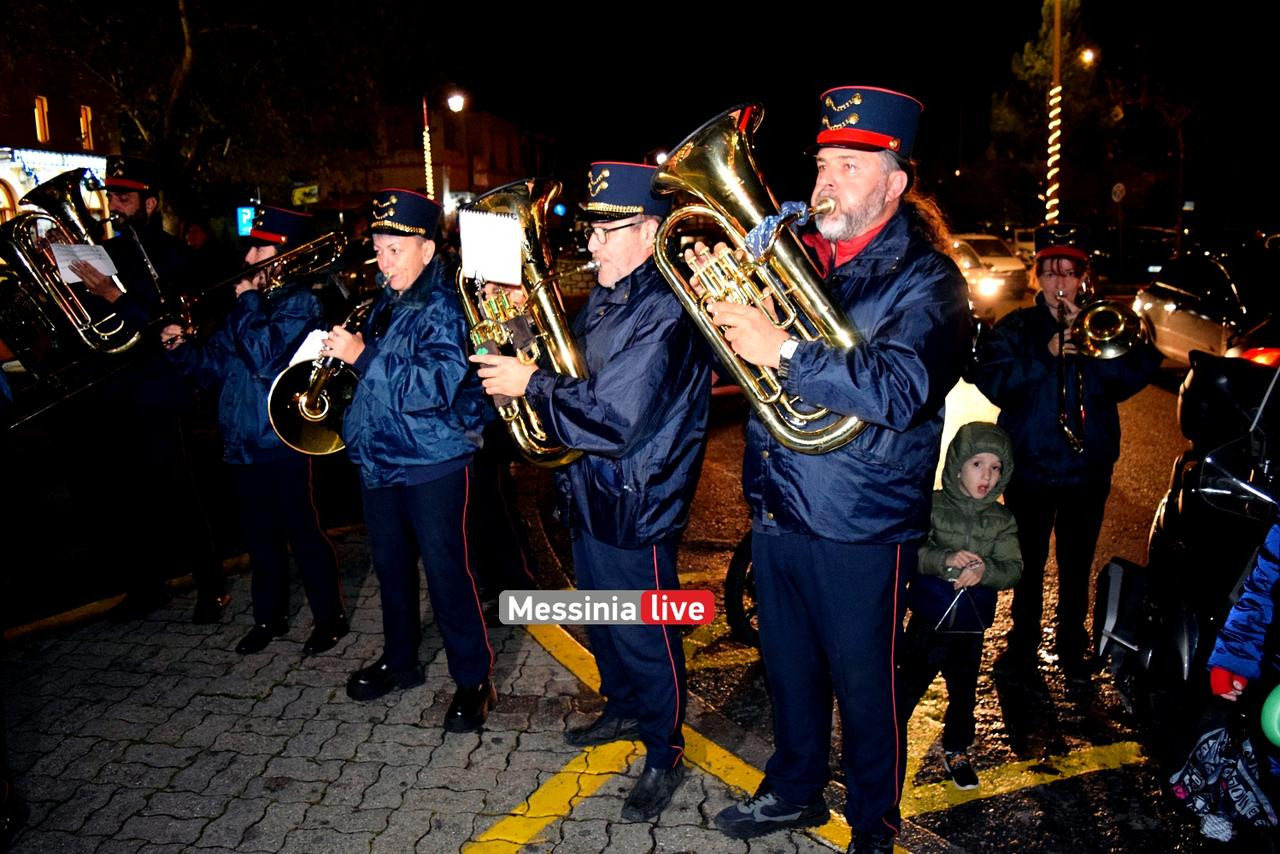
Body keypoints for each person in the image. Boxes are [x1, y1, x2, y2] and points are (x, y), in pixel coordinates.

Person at [698, 88, 971, 854]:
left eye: (850, 165)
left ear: (895, 182)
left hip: (862, 521)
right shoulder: (802, 260)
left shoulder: (930, 283)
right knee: (787, 671)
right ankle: (794, 791)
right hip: (781, 505)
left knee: (866, 688)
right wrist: (721, 290)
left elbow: (900, 388)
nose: (826, 181)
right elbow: (736, 358)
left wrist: (781, 347)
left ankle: (875, 826)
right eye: (823, 162)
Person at [471, 162, 711, 821]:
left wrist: (533, 387)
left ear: (651, 231)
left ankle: (665, 753)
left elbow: (615, 418)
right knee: (607, 622)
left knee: (646, 636)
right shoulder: (612, 293)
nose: (592, 243)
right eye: (591, 229)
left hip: (636, 504)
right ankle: (624, 707)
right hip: (591, 493)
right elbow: (567, 371)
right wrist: (516, 330)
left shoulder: (664, 309)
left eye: (608, 229)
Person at [325, 188, 495, 732]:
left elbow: (433, 385)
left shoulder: (444, 304)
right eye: (378, 247)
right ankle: (400, 662)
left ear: (426, 248)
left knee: (448, 574)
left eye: (394, 248)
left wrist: (362, 355)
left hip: (432, 461)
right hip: (380, 456)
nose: (382, 259)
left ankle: (473, 679)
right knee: (391, 571)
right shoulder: (386, 298)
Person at [973, 224, 1161, 678]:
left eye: (1069, 273)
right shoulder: (1018, 327)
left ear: (1083, 278)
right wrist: (1046, 354)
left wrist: (1098, 349)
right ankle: (1023, 644)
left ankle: (1072, 645)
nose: (1061, 283)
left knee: (1077, 565)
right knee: (1028, 563)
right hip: (1031, 470)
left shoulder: (1101, 323)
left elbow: (1130, 379)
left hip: (1086, 471)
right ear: (1037, 276)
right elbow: (995, 383)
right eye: (1051, 272)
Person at [162, 205, 348, 656]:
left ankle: (330, 618)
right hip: (242, 440)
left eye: (258, 249)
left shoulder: (301, 303)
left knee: (302, 532)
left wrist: (247, 302)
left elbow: (265, 355)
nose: (248, 259)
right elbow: (214, 367)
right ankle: (269, 617)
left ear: (282, 255)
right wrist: (180, 349)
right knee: (258, 538)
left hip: (280, 439)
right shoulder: (251, 307)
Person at [65, 156, 229, 624]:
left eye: (125, 197)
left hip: (159, 387)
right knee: (127, 495)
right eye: (112, 197)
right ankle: (145, 588)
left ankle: (211, 586)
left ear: (149, 203)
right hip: (116, 386)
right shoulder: (108, 251)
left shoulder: (173, 255)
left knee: (179, 491)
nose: (114, 205)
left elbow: (165, 324)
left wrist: (115, 296)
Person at [898, 421, 1022, 791]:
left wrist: (986, 570)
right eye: (977, 464)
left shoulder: (1002, 520)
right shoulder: (932, 506)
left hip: (970, 625)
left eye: (996, 467)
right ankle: (884, 744)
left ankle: (957, 748)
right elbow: (911, 553)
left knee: (964, 693)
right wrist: (945, 558)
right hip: (928, 620)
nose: (986, 475)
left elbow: (1014, 569)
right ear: (956, 465)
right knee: (906, 686)